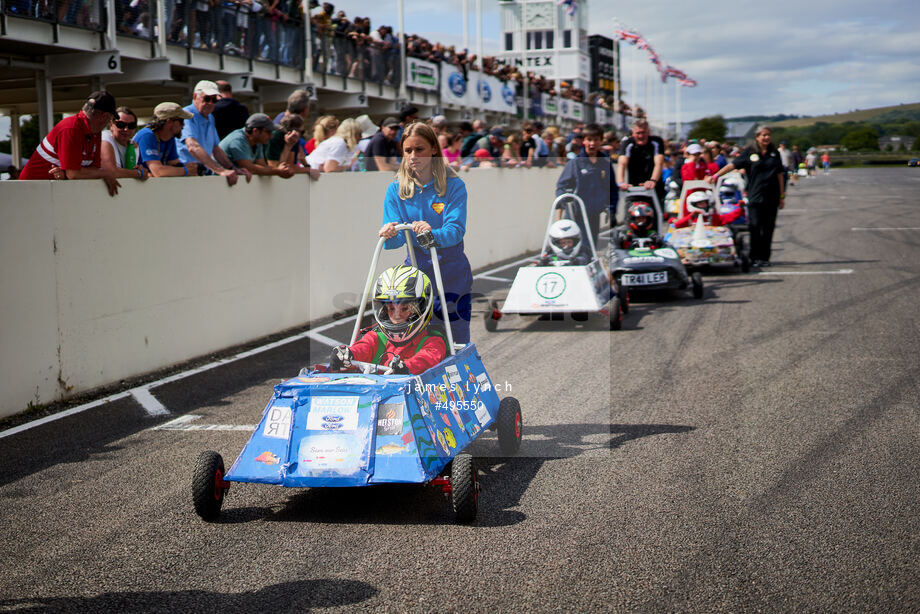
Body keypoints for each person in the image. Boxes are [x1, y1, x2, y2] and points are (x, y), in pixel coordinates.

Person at [378, 122, 473, 345]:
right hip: (417, 273)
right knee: (417, 339)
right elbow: (395, 241)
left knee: (455, 339)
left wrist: (432, 233)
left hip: (452, 273)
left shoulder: (453, 185)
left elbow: (455, 231)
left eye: (419, 149)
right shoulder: (396, 189)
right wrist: (389, 233)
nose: (413, 156)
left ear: (433, 149)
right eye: (408, 150)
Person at [328, 265, 446, 375]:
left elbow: (426, 358)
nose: (396, 315)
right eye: (391, 308)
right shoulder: (377, 338)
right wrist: (348, 354)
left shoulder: (433, 342)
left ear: (419, 310)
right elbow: (362, 348)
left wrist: (405, 367)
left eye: (404, 308)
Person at [19, 90, 122, 196]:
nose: (108, 122)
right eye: (110, 118)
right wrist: (105, 174)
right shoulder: (71, 128)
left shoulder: (95, 131)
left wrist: (67, 173)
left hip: (49, 193)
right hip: (29, 193)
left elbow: (93, 168)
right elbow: (74, 174)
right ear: (104, 116)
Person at [709, 126, 784, 266]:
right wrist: (716, 175)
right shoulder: (749, 152)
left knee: (768, 228)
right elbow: (733, 165)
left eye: (768, 135)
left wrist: (782, 196)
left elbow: (780, 174)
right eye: (763, 135)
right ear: (757, 137)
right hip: (755, 196)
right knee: (755, 226)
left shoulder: (775, 153)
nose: (766, 138)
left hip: (772, 196)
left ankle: (765, 258)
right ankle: (754, 257)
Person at [555, 123, 617, 248]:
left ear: (601, 141)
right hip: (575, 215)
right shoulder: (575, 163)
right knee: (575, 248)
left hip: (594, 215)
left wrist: (612, 208)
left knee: (591, 248)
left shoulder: (605, 162)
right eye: (589, 140)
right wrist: (564, 201)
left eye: (596, 140)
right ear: (583, 141)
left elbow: (612, 188)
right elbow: (561, 186)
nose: (592, 144)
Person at [178, 80, 250, 185]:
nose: (210, 103)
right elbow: (192, 146)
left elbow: (216, 149)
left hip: (200, 174)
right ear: (194, 97)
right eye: (207, 99)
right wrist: (220, 170)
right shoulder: (186, 114)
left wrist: (233, 169)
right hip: (184, 175)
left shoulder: (210, 117)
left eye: (214, 100)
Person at [133, 102, 198, 177]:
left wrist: (190, 167)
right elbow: (158, 172)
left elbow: (173, 163)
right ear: (169, 121)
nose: (183, 125)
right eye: (181, 121)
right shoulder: (147, 136)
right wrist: (186, 171)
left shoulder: (170, 137)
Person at [219, 113, 294, 178]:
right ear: (255, 131)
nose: (271, 136)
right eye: (268, 132)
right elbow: (249, 168)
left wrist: (282, 171)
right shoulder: (237, 140)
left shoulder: (257, 141)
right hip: (215, 182)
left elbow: (262, 166)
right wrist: (278, 171)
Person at [616, 119, 666, 203]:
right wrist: (621, 182)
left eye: (643, 132)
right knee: (630, 212)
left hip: (654, 186)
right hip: (634, 187)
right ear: (633, 133)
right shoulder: (628, 143)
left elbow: (659, 163)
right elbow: (622, 164)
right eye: (638, 133)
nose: (640, 136)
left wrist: (653, 180)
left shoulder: (656, 142)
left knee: (657, 213)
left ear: (648, 132)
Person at [100, 107, 149, 181]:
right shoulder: (104, 138)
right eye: (121, 124)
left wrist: (138, 170)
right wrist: (138, 173)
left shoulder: (133, 146)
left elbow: (128, 173)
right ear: (111, 125)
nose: (126, 129)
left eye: (131, 126)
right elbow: (111, 172)